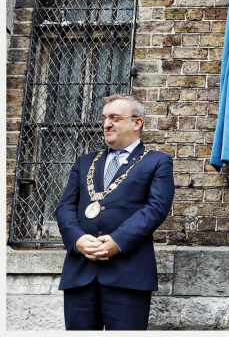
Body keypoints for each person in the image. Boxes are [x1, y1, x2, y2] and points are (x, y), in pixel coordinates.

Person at [55, 94, 175, 330]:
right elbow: (65, 207)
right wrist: (77, 239)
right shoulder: (84, 162)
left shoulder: (157, 162)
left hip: (128, 273)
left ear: (137, 123)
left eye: (115, 118)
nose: (107, 124)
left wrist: (118, 241)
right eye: (105, 118)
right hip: (81, 272)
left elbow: (156, 208)